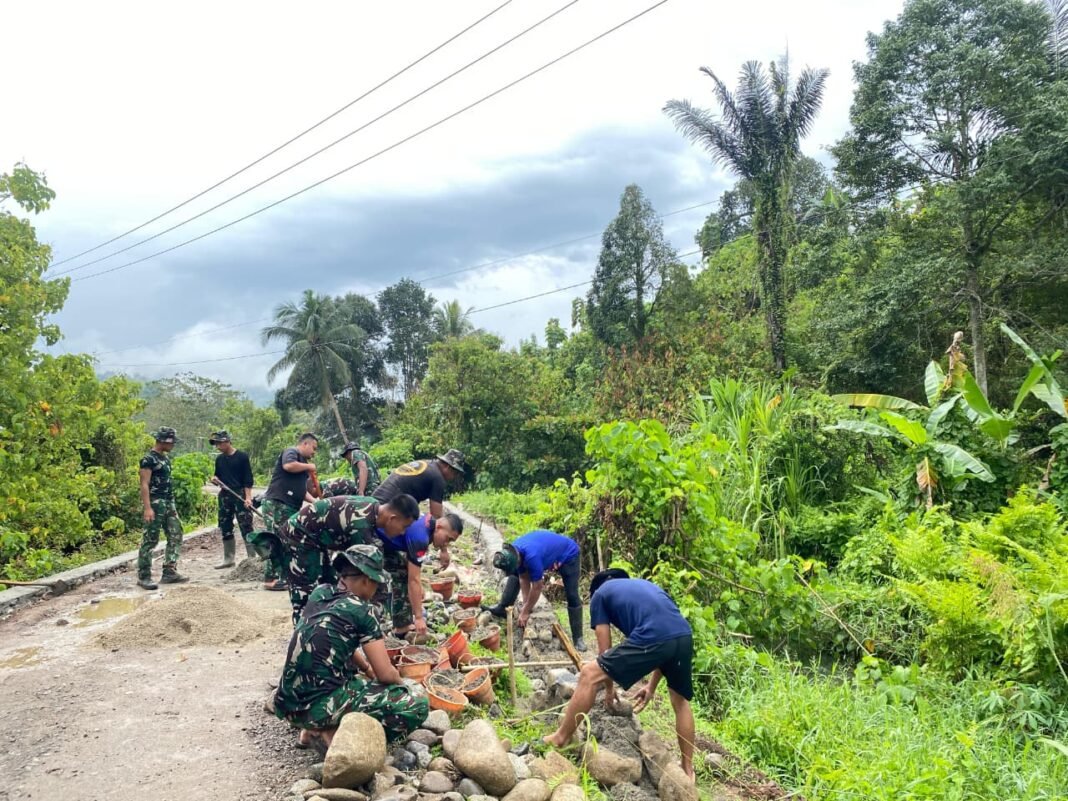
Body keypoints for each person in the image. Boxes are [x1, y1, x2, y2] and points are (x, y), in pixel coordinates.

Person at [543, 568, 696, 780]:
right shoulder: (644, 587)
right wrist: (651, 687)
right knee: (680, 702)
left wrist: (608, 688)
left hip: (655, 635)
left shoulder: (600, 594)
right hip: (684, 634)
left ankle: (560, 738)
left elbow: (604, 653)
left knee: (588, 674)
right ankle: (688, 770)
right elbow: (668, 636)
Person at [274, 544, 429, 748]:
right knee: (416, 702)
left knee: (349, 676)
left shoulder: (320, 593)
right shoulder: (362, 610)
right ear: (367, 580)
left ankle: (309, 728)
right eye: (376, 584)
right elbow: (384, 673)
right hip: (318, 709)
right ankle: (329, 730)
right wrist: (403, 684)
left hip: (288, 704)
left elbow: (331, 639)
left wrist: (365, 668)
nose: (376, 590)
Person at [276, 494, 420, 623]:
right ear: (392, 518)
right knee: (306, 597)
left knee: (328, 588)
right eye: (404, 527)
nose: (403, 532)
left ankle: (325, 630)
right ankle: (305, 641)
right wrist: (373, 616)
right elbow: (369, 574)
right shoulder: (361, 524)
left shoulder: (374, 507)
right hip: (298, 537)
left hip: (317, 541)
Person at [486, 530, 586, 650]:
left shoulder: (532, 557)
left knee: (572, 594)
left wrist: (525, 611)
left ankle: (578, 639)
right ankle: (502, 608)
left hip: (569, 555)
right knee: (516, 577)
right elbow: (523, 577)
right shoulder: (515, 552)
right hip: (548, 553)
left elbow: (537, 586)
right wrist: (525, 605)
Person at [375, 512, 463, 638]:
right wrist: (419, 617)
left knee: (402, 571)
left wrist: (444, 551)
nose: (447, 543)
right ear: (439, 527)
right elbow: (413, 580)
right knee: (385, 578)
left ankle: (400, 623)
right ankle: (382, 626)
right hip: (373, 538)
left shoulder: (429, 522)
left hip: (387, 542)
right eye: (448, 539)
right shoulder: (421, 538)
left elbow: (412, 564)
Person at [372, 449, 465, 567]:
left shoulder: (428, 465)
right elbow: (436, 518)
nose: (454, 477)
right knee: (426, 529)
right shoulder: (438, 478)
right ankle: (412, 558)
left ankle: (407, 558)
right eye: (455, 473)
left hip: (375, 504)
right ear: (448, 467)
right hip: (385, 514)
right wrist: (443, 550)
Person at [260, 433, 320, 590]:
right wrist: (309, 467)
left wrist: (316, 502)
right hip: (277, 504)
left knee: (287, 540)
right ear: (305, 444)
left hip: (290, 506)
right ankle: (270, 579)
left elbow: (301, 491)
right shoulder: (291, 452)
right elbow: (288, 466)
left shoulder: (303, 463)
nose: (314, 452)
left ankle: (283, 576)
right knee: (276, 539)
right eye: (314, 448)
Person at [136, 427, 188, 590]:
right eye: (171, 442)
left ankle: (169, 571)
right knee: (150, 538)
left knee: (176, 533)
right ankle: (144, 576)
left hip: (168, 502)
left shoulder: (165, 459)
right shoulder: (148, 459)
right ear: (163, 441)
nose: (173, 446)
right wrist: (147, 508)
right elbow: (144, 484)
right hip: (155, 502)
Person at [208, 430, 255, 569]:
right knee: (225, 525)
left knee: (246, 525)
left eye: (219, 443)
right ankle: (229, 558)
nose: (217, 446)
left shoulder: (242, 457)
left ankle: (252, 558)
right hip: (225, 495)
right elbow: (218, 477)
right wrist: (215, 480)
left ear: (227, 442)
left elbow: (248, 479)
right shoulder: (220, 459)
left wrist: (248, 498)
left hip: (239, 494)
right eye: (216, 444)